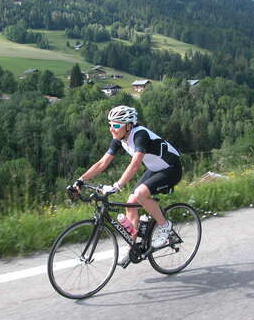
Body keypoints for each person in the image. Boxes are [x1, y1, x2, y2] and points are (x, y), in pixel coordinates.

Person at [73, 105, 182, 264]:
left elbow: (135, 164)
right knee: (130, 203)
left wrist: (117, 185)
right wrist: (80, 180)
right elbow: (102, 163)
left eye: (116, 125)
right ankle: (132, 245)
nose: (112, 129)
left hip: (171, 168)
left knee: (140, 194)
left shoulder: (140, 135)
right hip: (155, 169)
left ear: (129, 125)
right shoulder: (119, 139)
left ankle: (165, 226)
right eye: (110, 124)